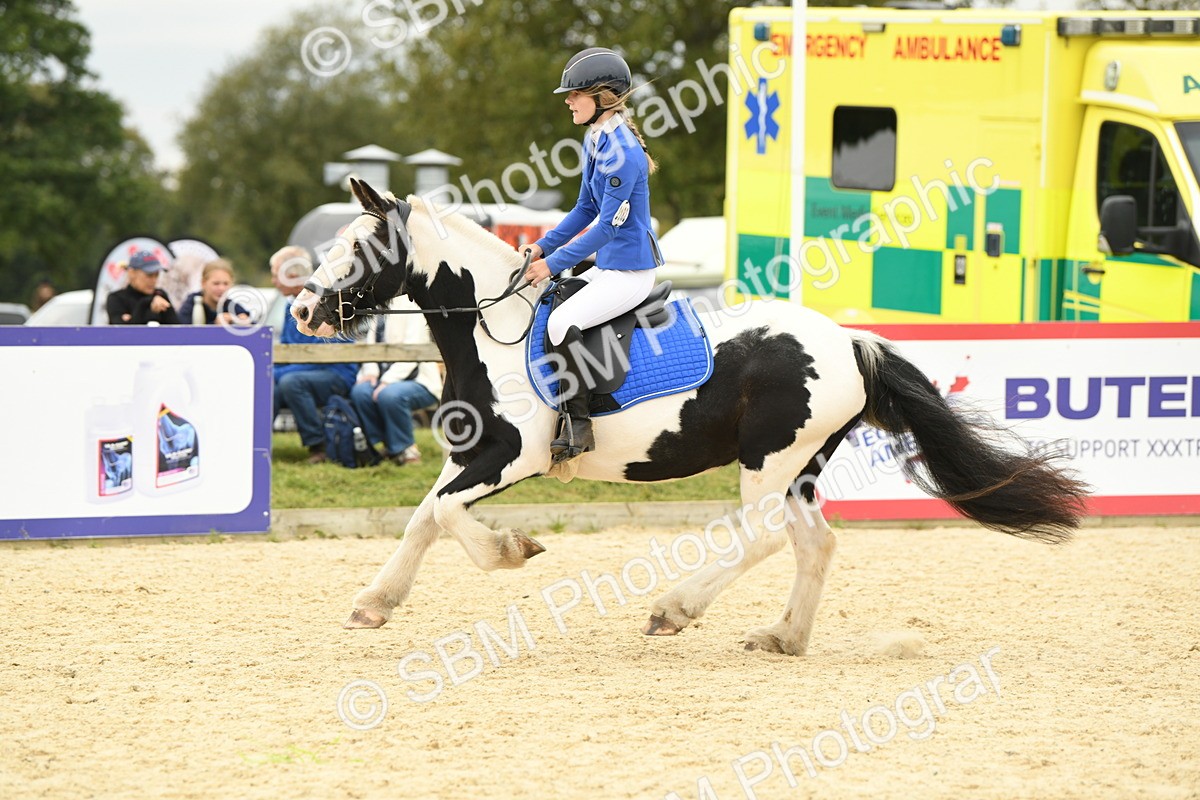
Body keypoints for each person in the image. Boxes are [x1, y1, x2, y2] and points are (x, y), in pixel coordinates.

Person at [522, 47, 663, 463]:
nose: (568, 100)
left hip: (631, 272)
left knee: (564, 321)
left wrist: (551, 264)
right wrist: (542, 245)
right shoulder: (596, 139)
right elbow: (584, 207)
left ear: (602, 96)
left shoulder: (625, 154)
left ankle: (579, 423)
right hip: (610, 267)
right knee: (552, 304)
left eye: (574, 94)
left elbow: (606, 226)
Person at [270, 245, 359, 464]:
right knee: (267, 385)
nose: (273, 281)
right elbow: (288, 350)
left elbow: (317, 356)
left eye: (275, 275)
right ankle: (257, 445)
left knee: (290, 382)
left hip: (335, 371)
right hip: (303, 370)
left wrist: (277, 373)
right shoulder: (290, 305)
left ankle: (318, 446)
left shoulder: (323, 301)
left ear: (290, 275)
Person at [350, 296, 442, 466]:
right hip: (383, 378)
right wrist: (370, 372)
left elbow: (413, 351)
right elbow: (371, 347)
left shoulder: (413, 306)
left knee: (390, 395)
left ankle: (407, 450)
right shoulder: (376, 307)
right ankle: (385, 445)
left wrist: (387, 380)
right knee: (360, 392)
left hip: (420, 381)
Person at [106, 250, 181, 325]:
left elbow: (176, 330)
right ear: (132, 273)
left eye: (156, 275)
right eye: (149, 275)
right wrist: (147, 304)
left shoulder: (160, 295)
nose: (154, 280)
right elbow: (124, 332)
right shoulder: (116, 298)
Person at [180, 258, 249, 325]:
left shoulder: (231, 306)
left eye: (226, 284)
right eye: (216, 283)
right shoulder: (193, 303)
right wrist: (215, 325)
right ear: (203, 283)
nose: (221, 288)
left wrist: (242, 321)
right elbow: (181, 329)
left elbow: (254, 326)